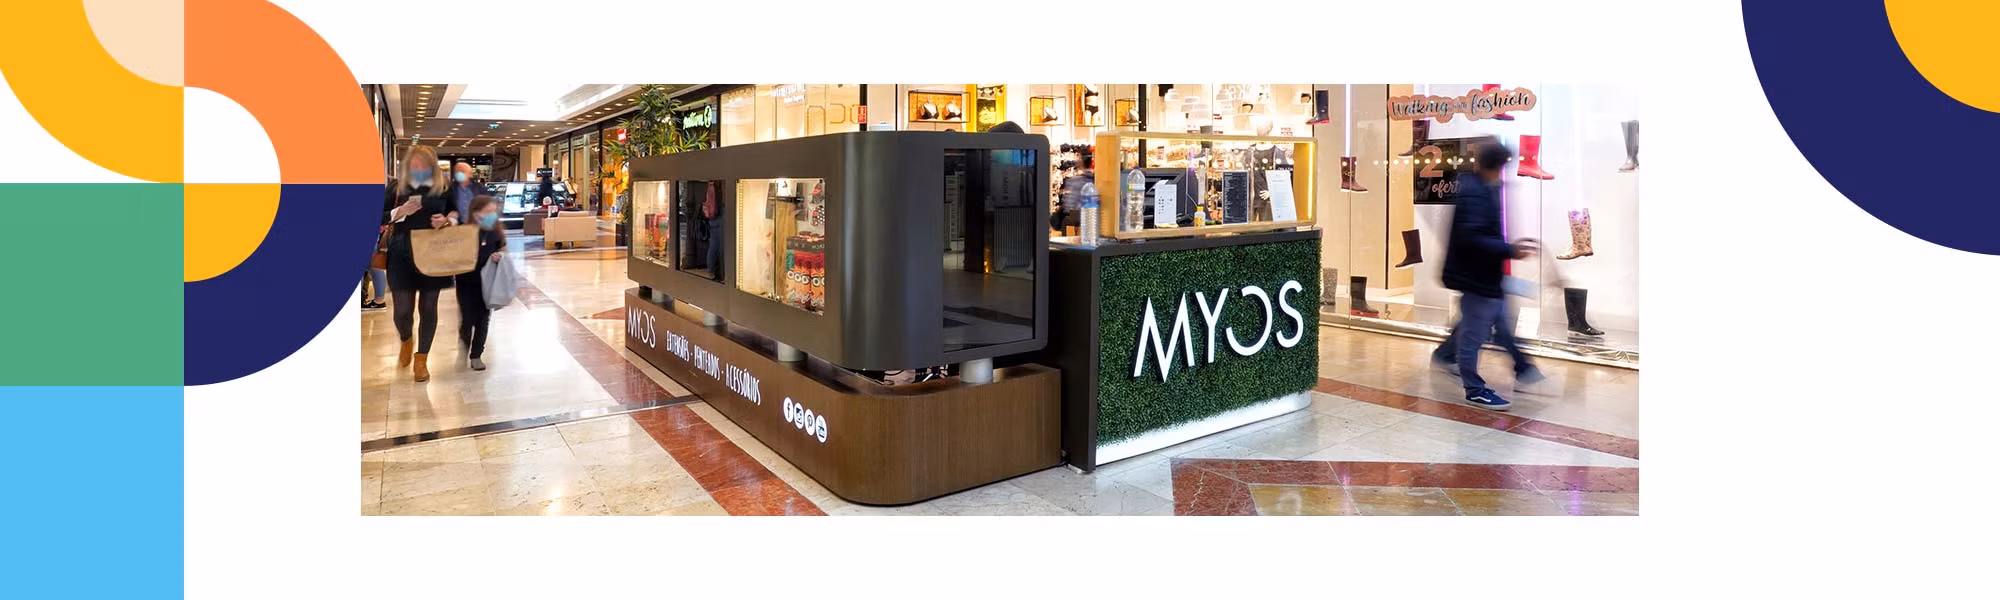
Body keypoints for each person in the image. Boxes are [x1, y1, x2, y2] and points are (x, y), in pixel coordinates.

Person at [1431, 137, 1543, 411]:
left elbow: (1480, 232)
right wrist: (1510, 250)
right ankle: (1474, 389)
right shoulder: (1475, 191)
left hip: (1485, 275)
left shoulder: (1485, 187)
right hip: (1476, 275)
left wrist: (1509, 249)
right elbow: (1472, 237)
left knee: (1493, 323)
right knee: (1474, 333)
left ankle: (1520, 367)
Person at [382, 145, 458, 382]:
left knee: (428, 307)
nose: (420, 168)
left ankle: (422, 359)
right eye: (415, 165)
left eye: (424, 165)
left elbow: (457, 212)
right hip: (401, 252)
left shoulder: (443, 187)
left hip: (433, 250)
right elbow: (378, 215)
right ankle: (406, 339)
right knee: (402, 310)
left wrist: (446, 220)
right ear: (408, 165)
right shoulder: (396, 188)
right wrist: (400, 211)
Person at [456, 195, 507, 371]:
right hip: (466, 281)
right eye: (487, 212)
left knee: (483, 319)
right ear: (475, 213)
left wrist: (499, 257)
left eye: (493, 211)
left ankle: (476, 354)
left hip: (487, 282)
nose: (492, 215)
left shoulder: (496, 232)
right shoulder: (464, 232)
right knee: (467, 318)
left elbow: (504, 251)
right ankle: (464, 345)